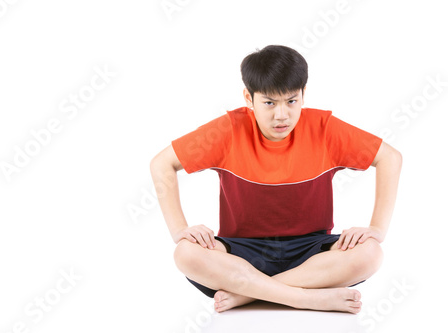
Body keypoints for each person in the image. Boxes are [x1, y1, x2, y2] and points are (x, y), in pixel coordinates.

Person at [149, 45, 402, 314]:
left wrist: (377, 229)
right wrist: (179, 230)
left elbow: (390, 158)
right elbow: (162, 163)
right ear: (249, 98)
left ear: (304, 94)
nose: (281, 115)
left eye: (291, 101)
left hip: (312, 251)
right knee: (186, 254)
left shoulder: (324, 129)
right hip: (241, 251)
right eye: (269, 103)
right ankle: (305, 298)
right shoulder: (228, 130)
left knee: (371, 253)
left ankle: (248, 295)